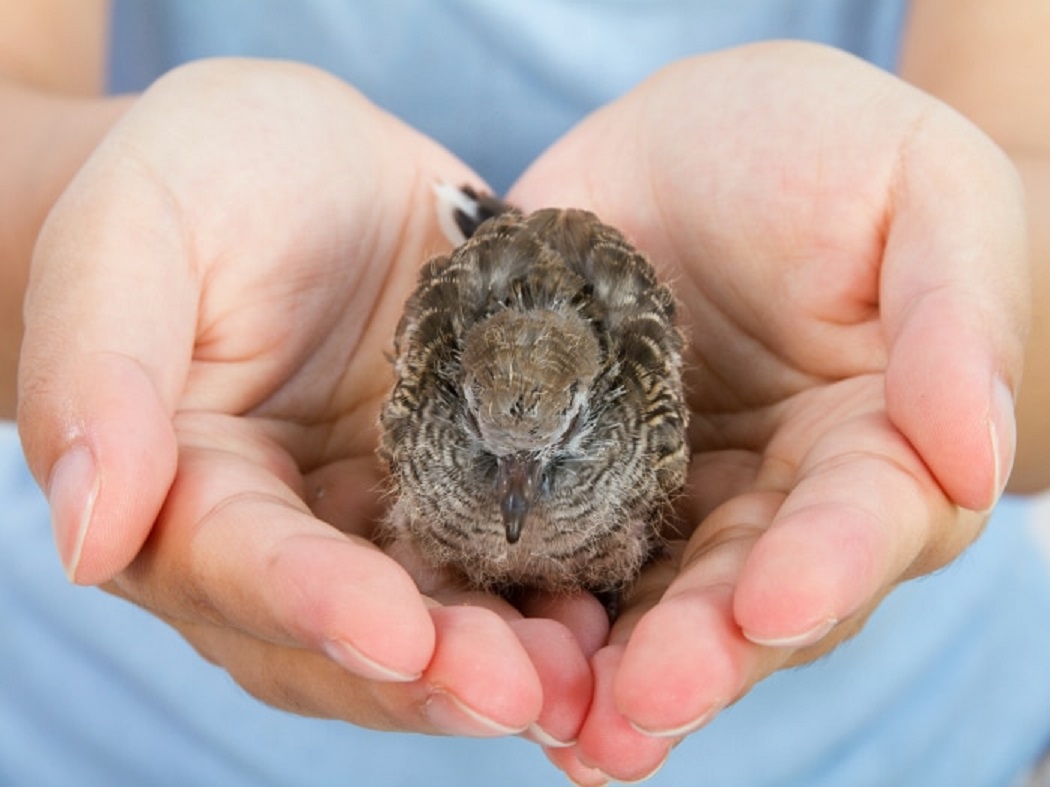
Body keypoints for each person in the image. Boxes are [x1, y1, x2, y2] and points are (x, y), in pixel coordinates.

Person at [2, 1, 1050, 785]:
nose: (513, 493)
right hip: (102, 734)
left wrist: (969, 300)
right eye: (499, 451)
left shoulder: (640, 415)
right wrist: (96, 242)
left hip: (911, 742)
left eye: (538, 457)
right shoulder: (426, 405)